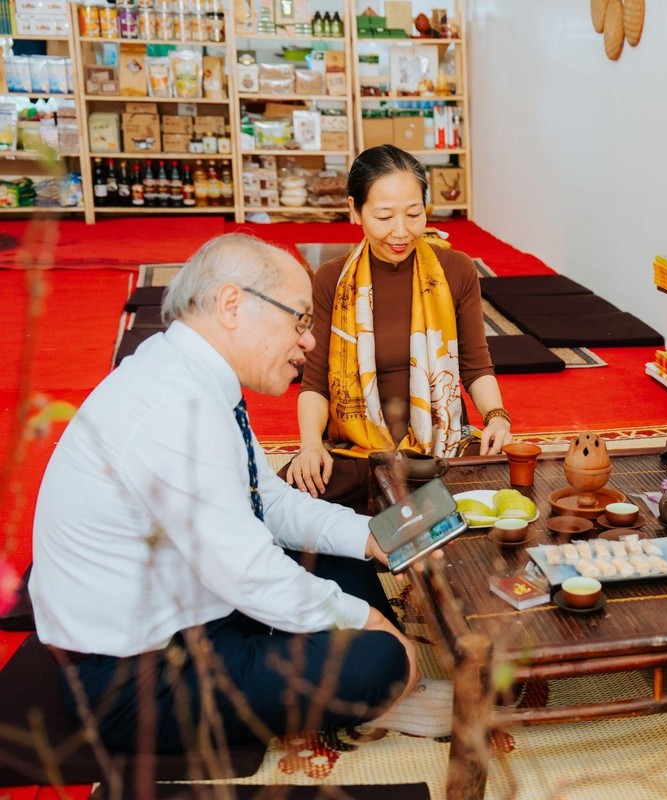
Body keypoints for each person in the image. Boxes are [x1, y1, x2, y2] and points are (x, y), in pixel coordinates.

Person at [29, 234, 452, 753]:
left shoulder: (189, 375)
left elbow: (266, 501)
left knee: (344, 555)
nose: (309, 341)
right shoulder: (176, 409)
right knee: (377, 658)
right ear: (232, 304)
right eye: (299, 320)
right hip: (135, 681)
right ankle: (381, 683)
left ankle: (357, 664)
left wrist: (374, 537)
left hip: (190, 609)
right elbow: (247, 570)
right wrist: (372, 627)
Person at [284, 145, 511, 510]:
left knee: (500, 497)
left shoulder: (456, 270)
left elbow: (475, 365)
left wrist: (497, 417)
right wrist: (310, 445)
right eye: (384, 216)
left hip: (438, 452)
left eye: (413, 214)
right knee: (282, 505)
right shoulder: (332, 280)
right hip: (357, 452)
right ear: (354, 211)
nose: (401, 232)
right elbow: (315, 380)